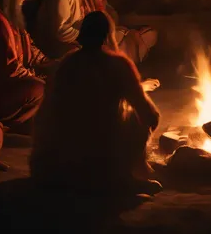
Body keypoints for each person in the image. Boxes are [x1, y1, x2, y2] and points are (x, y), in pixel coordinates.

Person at [30, 11, 161, 195]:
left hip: (64, 160)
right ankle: (128, 177)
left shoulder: (68, 63)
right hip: (102, 157)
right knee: (135, 118)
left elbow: (46, 113)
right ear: (109, 36)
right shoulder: (119, 64)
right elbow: (149, 114)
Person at [0, 0, 48, 134]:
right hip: (2, 88)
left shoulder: (13, 18)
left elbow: (31, 50)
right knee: (39, 88)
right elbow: (10, 69)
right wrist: (35, 77)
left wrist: (52, 64)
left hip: (18, 80)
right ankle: (10, 125)